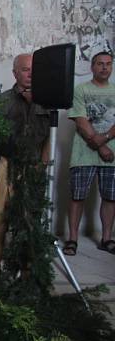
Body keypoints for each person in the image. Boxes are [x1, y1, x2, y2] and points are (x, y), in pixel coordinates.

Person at [0, 52, 50, 278]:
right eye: (25, 69)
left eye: (34, 69)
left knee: (30, 222)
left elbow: (48, 137)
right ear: (15, 73)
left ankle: (27, 275)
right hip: (4, 166)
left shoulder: (47, 101)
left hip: (33, 167)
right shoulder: (1, 101)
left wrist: (42, 165)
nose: (30, 74)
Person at [63, 51, 115, 256]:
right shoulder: (80, 89)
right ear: (92, 67)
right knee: (77, 196)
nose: (104, 67)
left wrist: (106, 138)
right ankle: (72, 239)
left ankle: (106, 238)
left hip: (112, 155)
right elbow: (80, 120)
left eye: (108, 64)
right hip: (84, 153)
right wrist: (101, 144)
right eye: (100, 64)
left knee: (110, 197)